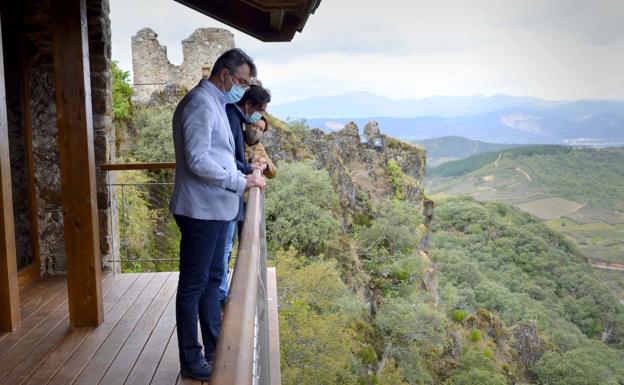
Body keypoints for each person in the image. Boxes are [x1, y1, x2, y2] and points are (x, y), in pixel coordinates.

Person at [169, 48, 266, 381]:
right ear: (224, 74)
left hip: (212, 210)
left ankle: (212, 346)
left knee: (211, 281)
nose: (242, 88)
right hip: (200, 211)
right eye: (240, 81)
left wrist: (244, 169)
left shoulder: (215, 103)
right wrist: (241, 180)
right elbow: (197, 160)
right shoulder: (199, 103)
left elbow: (219, 154)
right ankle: (191, 358)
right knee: (193, 286)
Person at [220, 85, 271, 306]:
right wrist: (250, 169)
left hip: (232, 194)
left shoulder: (235, 117)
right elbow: (228, 160)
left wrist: (257, 165)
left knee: (228, 247)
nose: (260, 117)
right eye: (260, 111)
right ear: (250, 105)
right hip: (227, 195)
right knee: (224, 248)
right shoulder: (233, 118)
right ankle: (222, 295)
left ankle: (222, 293)